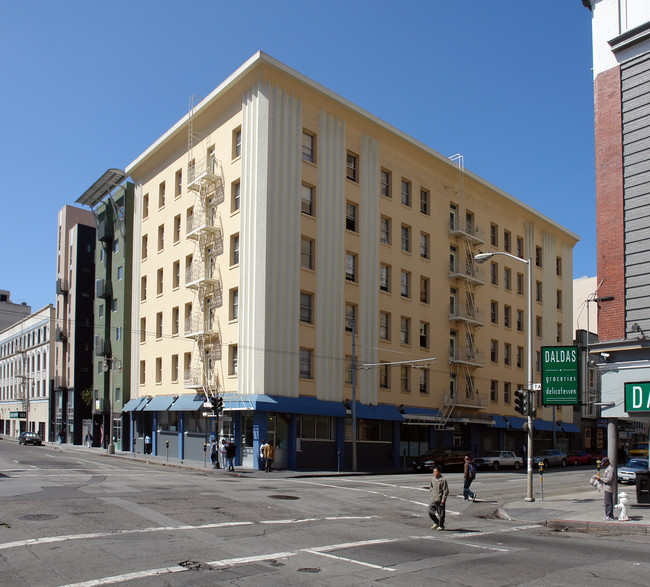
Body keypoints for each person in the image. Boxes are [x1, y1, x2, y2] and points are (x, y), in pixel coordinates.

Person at [428, 465, 449, 531]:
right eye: (433, 472)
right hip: (434, 499)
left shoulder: (443, 480)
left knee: (441, 514)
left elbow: (446, 490)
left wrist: (443, 499)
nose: (434, 473)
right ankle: (436, 522)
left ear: (439, 472)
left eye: (435, 472)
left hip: (440, 500)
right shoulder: (433, 479)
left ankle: (441, 525)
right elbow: (431, 487)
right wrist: (432, 493)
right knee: (430, 511)